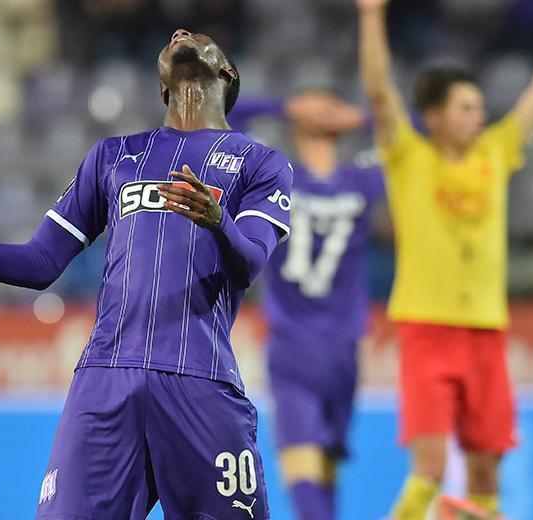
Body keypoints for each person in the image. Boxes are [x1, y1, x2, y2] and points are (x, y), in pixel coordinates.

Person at [0, 28, 293, 520]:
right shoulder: (113, 156)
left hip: (200, 379)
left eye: (195, 34)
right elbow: (41, 263)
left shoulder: (262, 163)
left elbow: (251, 263)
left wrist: (218, 221)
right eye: (172, 36)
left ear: (226, 71)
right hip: (106, 379)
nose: (179, 33)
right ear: (161, 87)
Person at [356, 0, 533, 517]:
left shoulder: (495, 151)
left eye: (479, 107)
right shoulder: (409, 156)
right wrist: (371, 17)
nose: (478, 116)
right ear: (434, 117)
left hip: (486, 330)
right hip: (427, 328)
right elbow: (379, 90)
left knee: (486, 475)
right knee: (429, 473)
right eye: (465, 108)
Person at [229, 91, 386, 520]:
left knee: (319, 467)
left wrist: (289, 108)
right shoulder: (342, 181)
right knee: (307, 465)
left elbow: (422, 131)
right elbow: (221, 122)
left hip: (329, 345)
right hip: (308, 344)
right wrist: (361, 117)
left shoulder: (284, 178)